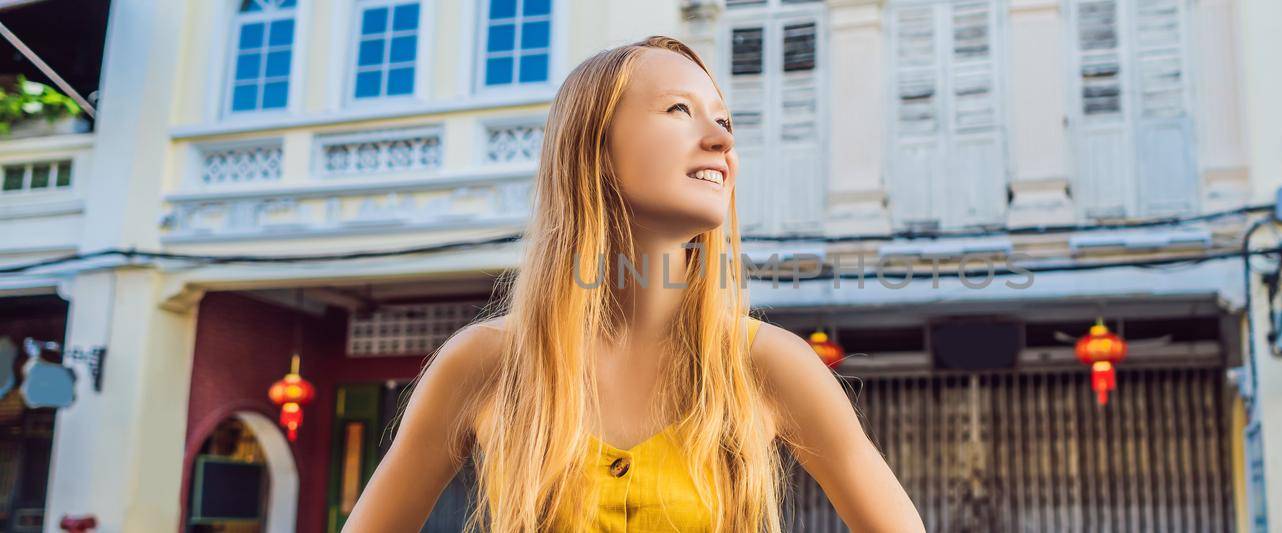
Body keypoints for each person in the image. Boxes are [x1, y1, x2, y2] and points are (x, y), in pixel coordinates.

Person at [341, 36, 924, 532]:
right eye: (678, 110)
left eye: (723, 120)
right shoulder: (483, 362)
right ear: (593, 145)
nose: (721, 139)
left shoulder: (769, 363)